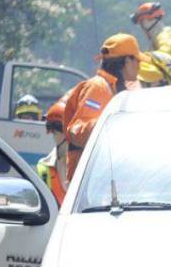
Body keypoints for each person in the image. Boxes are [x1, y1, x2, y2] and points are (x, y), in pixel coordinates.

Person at [63, 34, 148, 180]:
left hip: (101, 178)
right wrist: (111, 125)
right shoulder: (98, 87)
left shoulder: (113, 88)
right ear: (127, 61)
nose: (140, 65)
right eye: (137, 60)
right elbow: (76, 131)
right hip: (87, 181)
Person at [36, 92, 71, 206]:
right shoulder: (44, 167)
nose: (54, 134)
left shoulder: (86, 164)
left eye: (55, 131)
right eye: (54, 131)